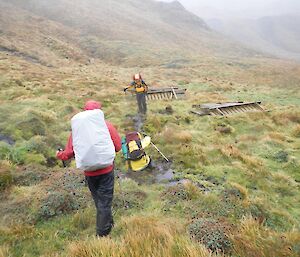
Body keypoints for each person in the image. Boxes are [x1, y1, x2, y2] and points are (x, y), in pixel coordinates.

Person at [56, 100, 121, 237]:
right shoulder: (106, 126)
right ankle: (102, 235)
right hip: (106, 170)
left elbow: (68, 153)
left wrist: (59, 155)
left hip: (89, 172)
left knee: (99, 200)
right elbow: (118, 147)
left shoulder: (77, 130)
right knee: (105, 201)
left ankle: (108, 223)